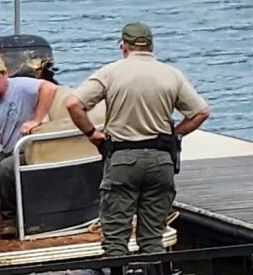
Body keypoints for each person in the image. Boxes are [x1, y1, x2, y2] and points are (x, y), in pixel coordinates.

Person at [64, 22, 210, 257]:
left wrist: (92, 133)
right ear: (151, 46)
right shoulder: (171, 74)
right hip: (161, 161)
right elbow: (201, 112)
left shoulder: (110, 72)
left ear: (124, 46)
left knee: (116, 240)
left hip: (123, 160)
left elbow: (73, 104)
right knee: (153, 240)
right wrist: (175, 134)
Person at [0, 54, 56, 234]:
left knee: (7, 167)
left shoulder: (21, 86)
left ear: (4, 74)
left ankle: (9, 219)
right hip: (7, 150)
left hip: (30, 151)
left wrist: (36, 120)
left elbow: (49, 88)